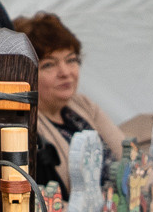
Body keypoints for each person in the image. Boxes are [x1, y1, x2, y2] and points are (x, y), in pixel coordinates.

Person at [13, 11, 125, 196]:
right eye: (49, 64)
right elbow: (48, 204)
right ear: (24, 74)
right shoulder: (25, 125)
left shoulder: (82, 104)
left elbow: (128, 158)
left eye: (71, 60)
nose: (65, 72)